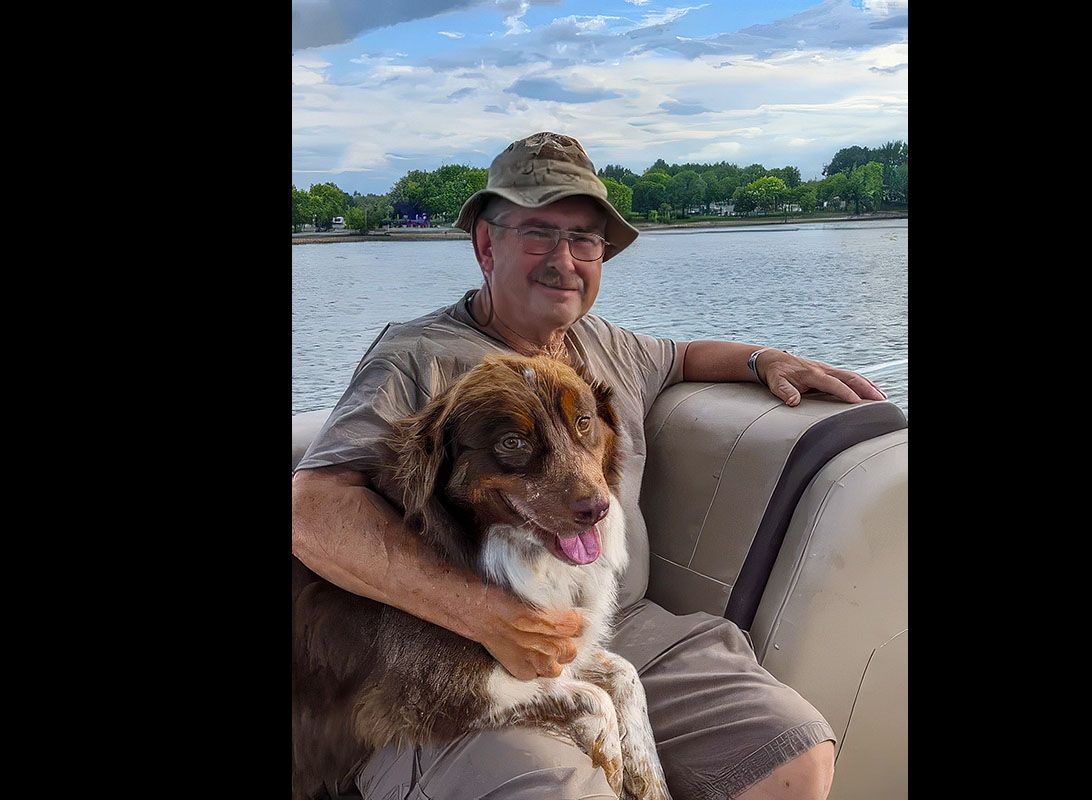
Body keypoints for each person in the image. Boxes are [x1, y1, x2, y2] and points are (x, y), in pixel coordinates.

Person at [292, 131, 887, 800]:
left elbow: (683, 355)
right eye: (539, 234)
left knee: (790, 754)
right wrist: (485, 615)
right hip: (452, 649)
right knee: (560, 789)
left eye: (584, 239)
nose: (564, 260)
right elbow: (311, 510)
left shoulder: (603, 343)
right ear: (486, 246)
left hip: (619, 625)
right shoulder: (413, 357)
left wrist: (763, 359)